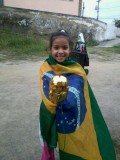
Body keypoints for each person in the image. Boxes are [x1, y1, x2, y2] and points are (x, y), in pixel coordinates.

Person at [39, 29, 116, 160]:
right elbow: (46, 88)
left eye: (65, 47)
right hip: (49, 112)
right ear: (50, 49)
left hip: (71, 114)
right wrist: (56, 98)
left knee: (72, 144)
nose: (60, 51)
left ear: (70, 49)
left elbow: (78, 91)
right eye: (56, 47)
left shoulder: (76, 68)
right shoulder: (45, 67)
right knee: (48, 143)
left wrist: (66, 97)